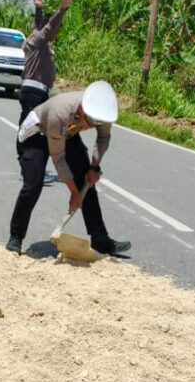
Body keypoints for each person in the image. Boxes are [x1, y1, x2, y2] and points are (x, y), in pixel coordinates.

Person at [7, 80, 131, 256]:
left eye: (93, 122)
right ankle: (16, 237)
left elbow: (103, 138)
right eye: (88, 120)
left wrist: (94, 168)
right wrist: (73, 192)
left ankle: (101, 241)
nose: (88, 126)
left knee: (87, 182)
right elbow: (59, 159)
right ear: (81, 108)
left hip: (67, 134)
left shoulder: (102, 111)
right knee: (33, 184)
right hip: (38, 134)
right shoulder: (60, 113)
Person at [17, 0, 72, 129]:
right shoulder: (39, 40)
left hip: (37, 93)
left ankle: (22, 149)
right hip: (33, 93)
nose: (57, 33)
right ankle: (26, 150)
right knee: (33, 129)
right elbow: (47, 28)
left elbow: (39, 25)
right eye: (57, 30)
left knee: (27, 127)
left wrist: (38, 9)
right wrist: (62, 9)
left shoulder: (40, 41)